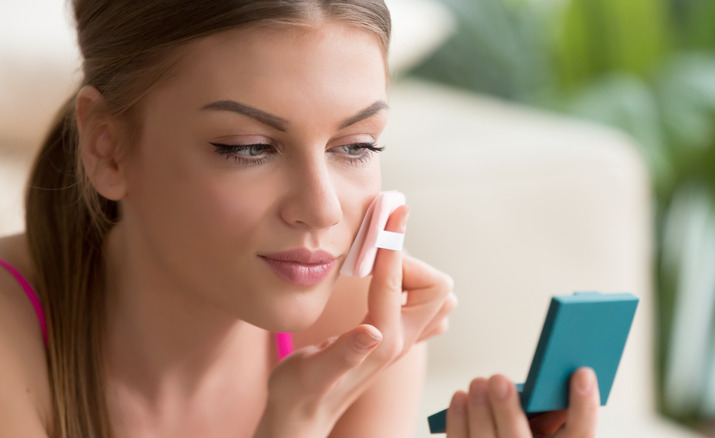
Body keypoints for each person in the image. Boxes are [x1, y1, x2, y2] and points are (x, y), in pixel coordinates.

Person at [0, 1, 600, 437]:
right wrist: (296, 423)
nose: (322, 209)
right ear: (107, 147)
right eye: (248, 147)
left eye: (357, 146)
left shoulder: (359, 327)